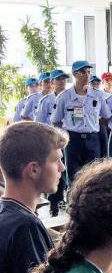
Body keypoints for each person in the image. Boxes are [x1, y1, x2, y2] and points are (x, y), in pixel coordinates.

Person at [0, 122, 68, 273]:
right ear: (34, 169)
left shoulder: (8, 213)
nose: (62, 168)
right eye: (56, 160)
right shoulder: (25, 226)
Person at [50, 59, 111, 184]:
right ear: (74, 74)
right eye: (82, 72)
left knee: (94, 176)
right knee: (73, 176)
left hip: (92, 139)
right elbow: (56, 120)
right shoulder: (64, 96)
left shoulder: (98, 95)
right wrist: (70, 127)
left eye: (88, 72)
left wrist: (93, 124)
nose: (87, 75)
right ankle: (73, 197)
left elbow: (106, 116)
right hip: (73, 140)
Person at [35, 69, 70, 216]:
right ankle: (54, 202)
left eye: (64, 79)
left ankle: (65, 199)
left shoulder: (71, 97)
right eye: (59, 79)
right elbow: (39, 123)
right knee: (55, 170)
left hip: (69, 140)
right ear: (52, 82)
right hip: (52, 142)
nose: (62, 82)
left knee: (67, 170)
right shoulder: (45, 101)